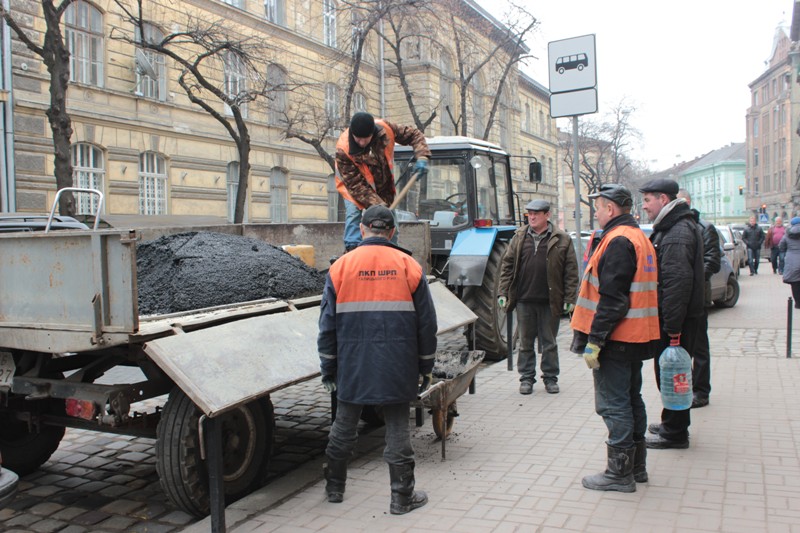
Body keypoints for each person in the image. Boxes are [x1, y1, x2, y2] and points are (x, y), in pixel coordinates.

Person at [317, 204, 438, 515]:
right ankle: (401, 498)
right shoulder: (408, 265)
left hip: (354, 364)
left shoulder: (340, 267)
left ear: (362, 230)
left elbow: (327, 324)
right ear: (393, 231)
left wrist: (328, 367)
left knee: (344, 424)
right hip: (397, 363)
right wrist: (425, 365)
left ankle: (334, 487)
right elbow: (426, 323)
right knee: (397, 426)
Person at [571, 184, 661, 492]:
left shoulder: (618, 240)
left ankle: (619, 473)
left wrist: (595, 341)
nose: (595, 213)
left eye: (597, 207)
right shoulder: (638, 237)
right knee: (631, 399)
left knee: (613, 404)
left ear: (610, 209)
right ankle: (636, 468)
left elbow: (613, 299)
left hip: (617, 339)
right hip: (636, 337)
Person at [639, 178, 705, 450]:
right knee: (672, 372)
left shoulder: (677, 231)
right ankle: (672, 422)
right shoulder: (674, 226)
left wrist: (673, 328)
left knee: (673, 373)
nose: (644, 207)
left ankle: (675, 433)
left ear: (663, 200)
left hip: (675, 321)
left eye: (647, 200)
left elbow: (677, 283)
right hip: (676, 319)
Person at [497, 199, 579, 395]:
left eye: (536, 214)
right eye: (529, 214)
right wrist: (503, 292)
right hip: (524, 299)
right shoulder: (519, 237)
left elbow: (571, 272)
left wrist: (569, 299)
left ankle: (550, 378)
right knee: (525, 342)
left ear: (547, 215)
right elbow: (507, 266)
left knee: (549, 342)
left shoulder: (562, 239)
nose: (532, 217)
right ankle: (526, 378)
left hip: (550, 301)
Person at [335, 112, 431, 252]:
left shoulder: (385, 129)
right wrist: (380, 207)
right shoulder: (344, 149)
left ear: (372, 133)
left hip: (382, 186)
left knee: (391, 225)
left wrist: (422, 155)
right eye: (358, 139)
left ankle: (391, 253)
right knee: (353, 215)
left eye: (365, 138)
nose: (361, 143)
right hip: (353, 187)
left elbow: (414, 134)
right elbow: (357, 187)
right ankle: (352, 251)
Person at [676, 189, 721, 409]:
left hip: (698, 297)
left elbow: (713, 261)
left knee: (700, 347)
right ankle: (684, 387)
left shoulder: (705, 228)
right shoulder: (674, 229)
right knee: (680, 347)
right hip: (678, 300)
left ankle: (701, 391)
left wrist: (690, 280)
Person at [779, 216, 800, 308]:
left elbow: (781, 246)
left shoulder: (787, 234)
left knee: (795, 282)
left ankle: (798, 303)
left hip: (792, 261)